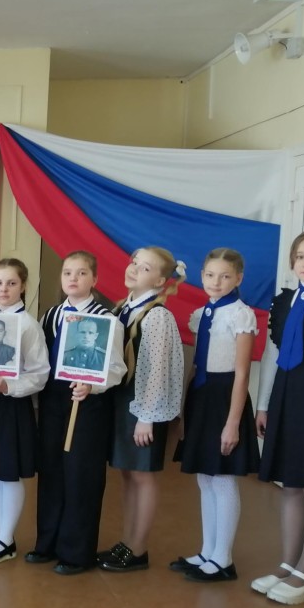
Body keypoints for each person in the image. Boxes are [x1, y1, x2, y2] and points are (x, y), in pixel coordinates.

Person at [28, 251, 126, 575]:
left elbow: (116, 368)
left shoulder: (107, 320)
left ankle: (76, 551)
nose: (73, 278)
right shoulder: (51, 316)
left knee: (81, 475)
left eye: (82, 273)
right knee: (52, 470)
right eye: (68, 272)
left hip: (88, 404)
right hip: (54, 401)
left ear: (94, 279)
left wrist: (92, 387)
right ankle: (48, 542)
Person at [171, 248, 259, 583]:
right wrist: (185, 413)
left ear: (238, 278)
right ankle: (208, 550)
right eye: (210, 275)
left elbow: (241, 373)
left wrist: (232, 423)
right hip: (202, 395)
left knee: (222, 478)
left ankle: (224, 558)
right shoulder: (202, 314)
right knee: (204, 478)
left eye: (225, 276)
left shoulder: (241, 315)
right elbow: (197, 366)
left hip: (225, 397)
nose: (216, 282)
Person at [253, 230, 304, 605]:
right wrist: (264, 404)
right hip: (288, 397)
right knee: (291, 485)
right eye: (300, 256)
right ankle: (289, 564)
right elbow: (273, 354)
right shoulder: (286, 301)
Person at [99, 246, 185, 572]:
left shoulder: (157, 315)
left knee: (142, 475)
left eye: (145, 268)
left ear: (160, 281)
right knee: (127, 473)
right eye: (134, 262)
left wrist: (146, 417)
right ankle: (127, 540)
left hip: (144, 406)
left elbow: (157, 370)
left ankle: (138, 548)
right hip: (123, 401)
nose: (134, 269)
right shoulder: (123, 308)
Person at [0, 258, 49, 564]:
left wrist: (9, 386)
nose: (4, 289)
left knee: (9, 470)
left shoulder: (27, 325)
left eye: (11, 283)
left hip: (11, 404)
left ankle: (6, 537)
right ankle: (3, 534)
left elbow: (40, 373)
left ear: (23, 286)